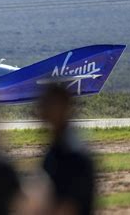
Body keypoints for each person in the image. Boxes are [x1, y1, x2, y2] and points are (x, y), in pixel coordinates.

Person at [38, 84, 95, 215]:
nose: (41, 111)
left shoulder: (72, 153)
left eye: (47, 105)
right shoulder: (57, 148)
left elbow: (69, 205)